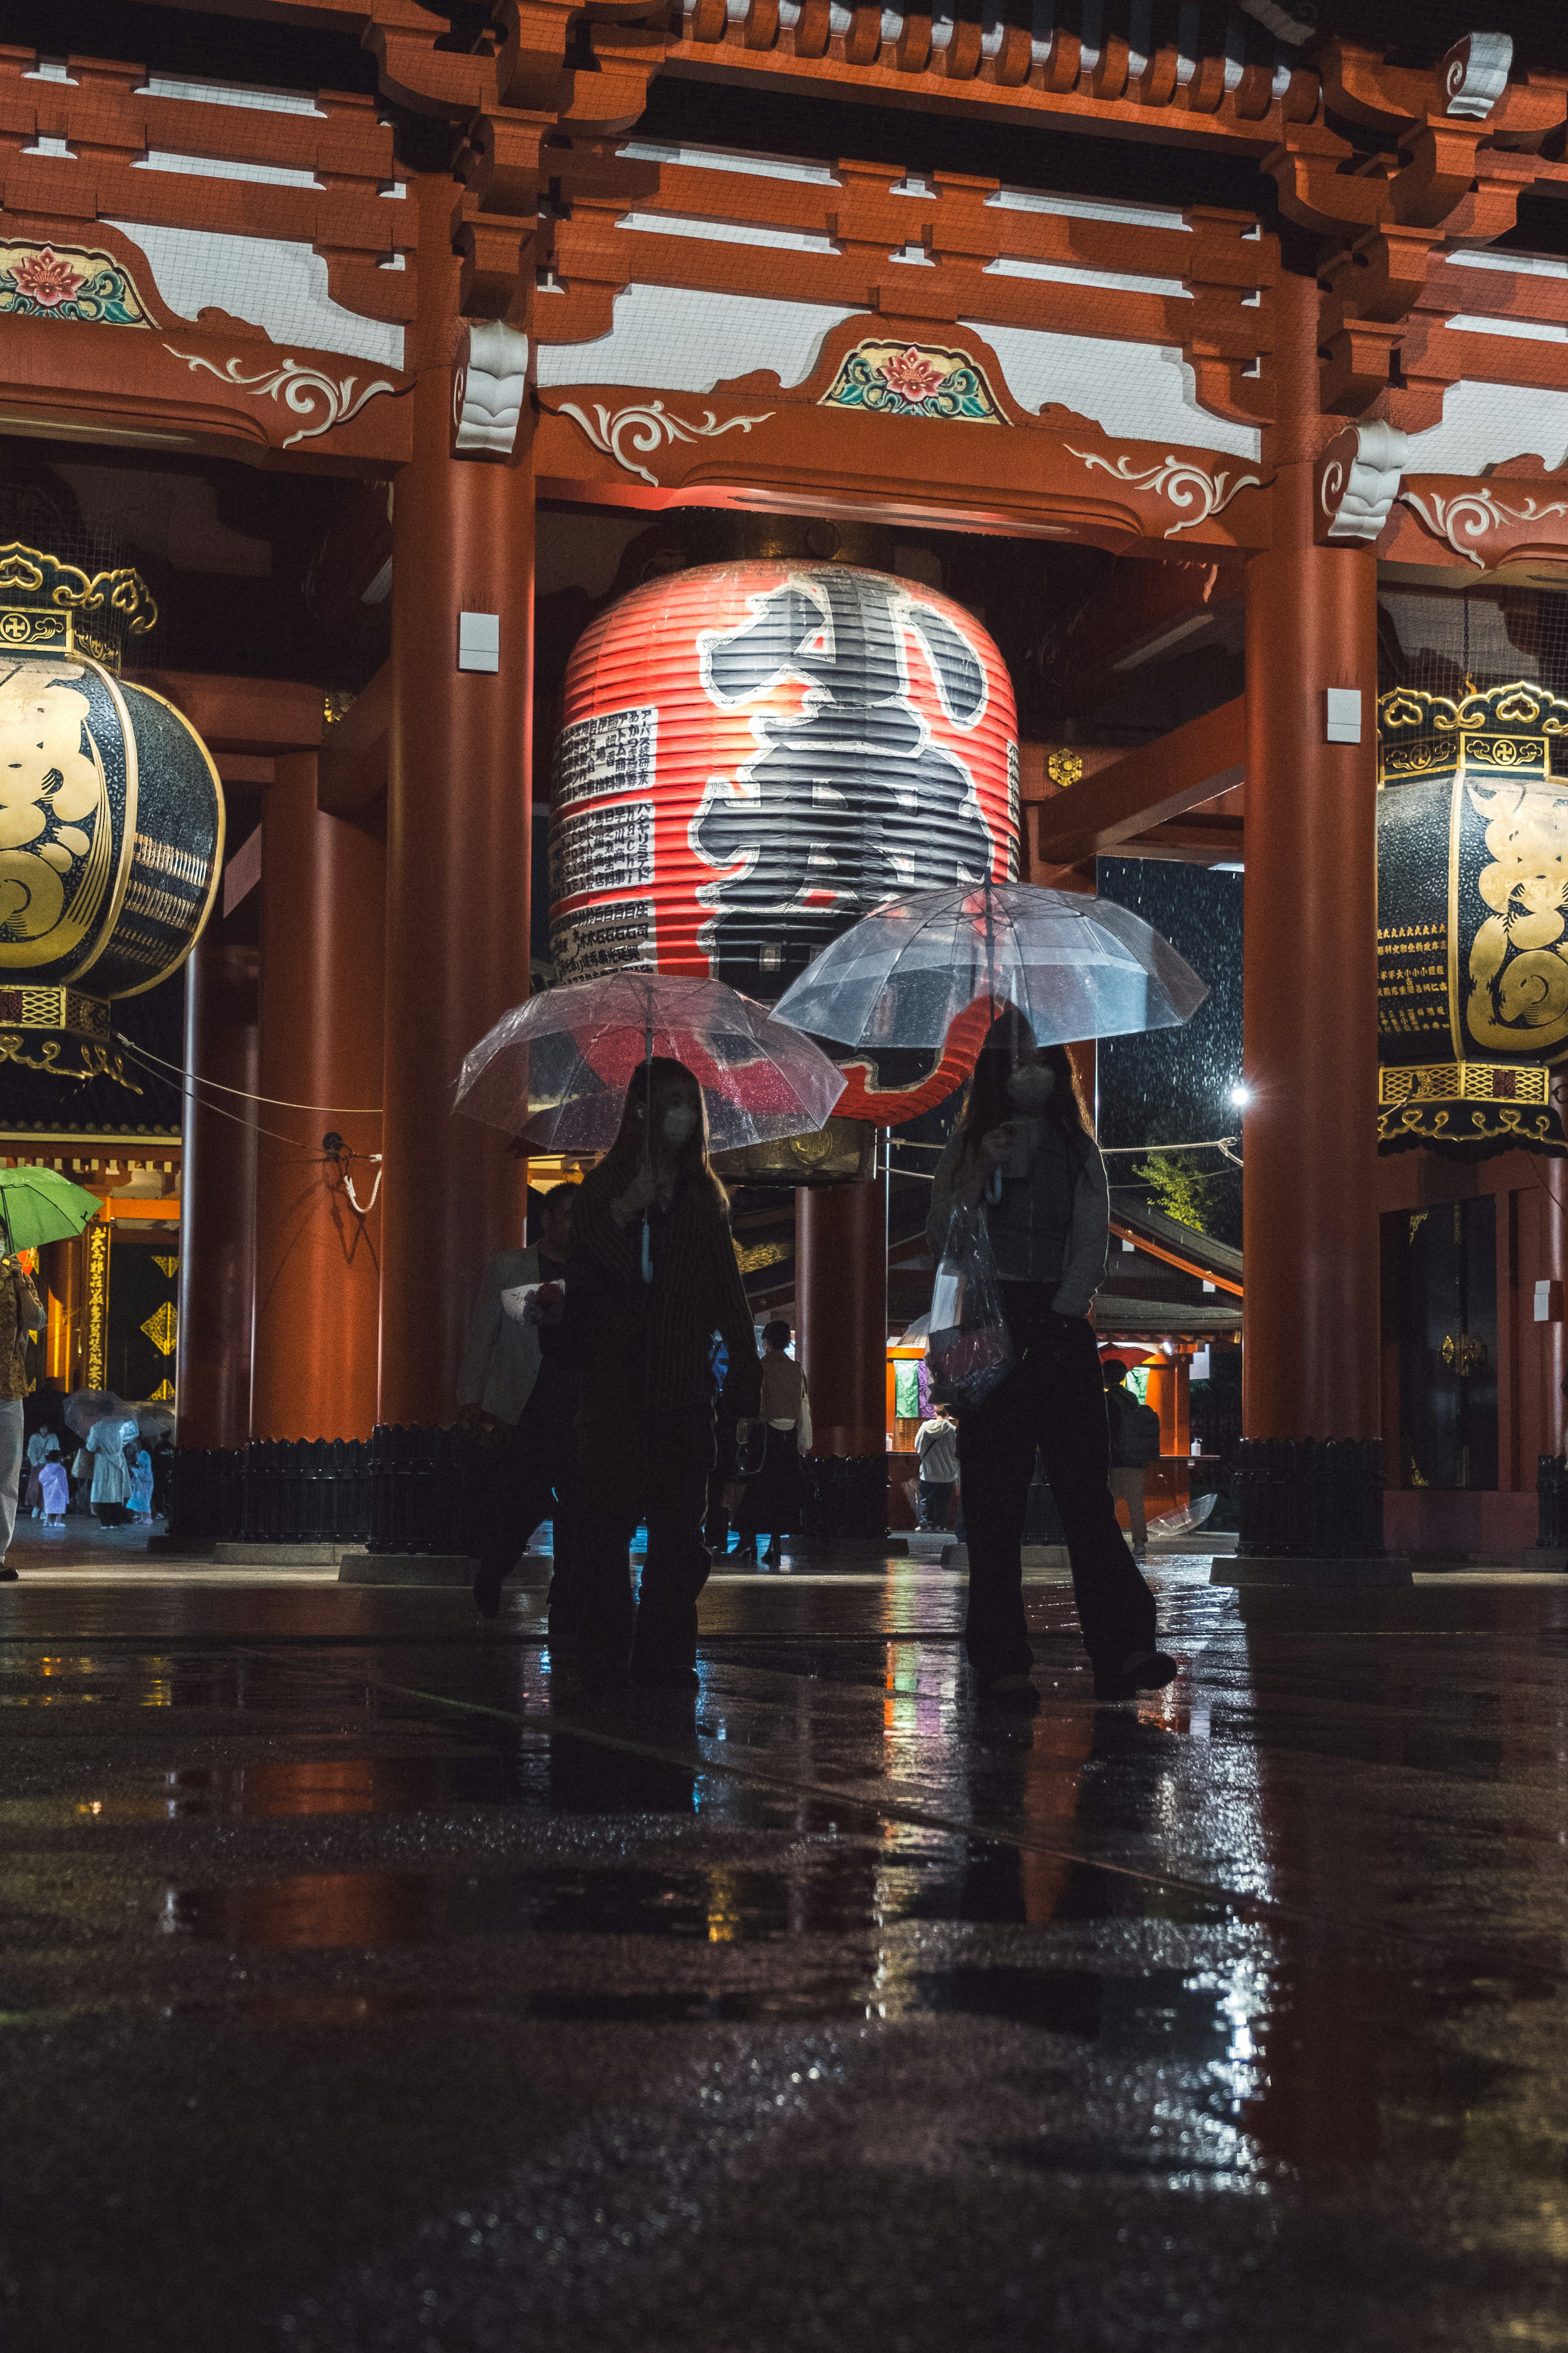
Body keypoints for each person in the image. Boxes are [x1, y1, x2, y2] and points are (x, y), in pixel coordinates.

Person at [927, 1011, 1176, 1709]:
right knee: (994, 1502)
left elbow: (1091, 1238)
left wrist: (1067, 1306)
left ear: (1059, 1071)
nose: (1027, 1072)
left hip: (1061, 1324)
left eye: (1038, 1060)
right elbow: (942, 1235)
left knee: (1084, 1496)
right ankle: (1002, 1660)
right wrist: (979, 1172)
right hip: (989, 1323)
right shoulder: (970, 1142)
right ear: (994, 1073)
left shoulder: (1077, 1146)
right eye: (1013, 1061)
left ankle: (1124, 1647)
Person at [564, 1057, 762, 1696]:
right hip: (617, 1394)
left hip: (682, 1393)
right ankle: (607, 1649)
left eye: (690, 1103)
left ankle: (666, 1650)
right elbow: (600, 1278)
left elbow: (730, 1297)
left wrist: (744, 1377)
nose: (682, 1115)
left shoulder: (706, 1199)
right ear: (641, 1111)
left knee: (680, 1536)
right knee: (607, 1529)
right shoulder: (601, 1192)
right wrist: (628, 1209)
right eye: (669, 1102)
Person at [471, 1186, 582, 1628]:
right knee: (525, 1500)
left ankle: (568, 1589)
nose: (577, 1224)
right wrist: (471, 1398)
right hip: (528, 1402)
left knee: (579, 1502)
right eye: (571, 1214)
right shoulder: (509, 1266)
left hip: (579, 1403)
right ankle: (494, 1569)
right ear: (548, 1219)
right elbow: (484, 1333)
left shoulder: (593, 1270)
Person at [732, 1320, 811, 1568]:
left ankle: (751, 1544)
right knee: (782, 1492)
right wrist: (804, 1439)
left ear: (766, 1341)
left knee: (757, 1490)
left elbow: (752, 1405)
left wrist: (742, 1435)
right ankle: (775, 1546)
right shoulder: (797, 1369)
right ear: (788, 1341)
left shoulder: (761, 1367)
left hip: (763, 1435)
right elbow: (804, 1405)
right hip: (788, 1441)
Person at [0, 1249, 46, 1581]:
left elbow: (37, 1321)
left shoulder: (19, 1278)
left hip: (10, 1387)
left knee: (7, 1475)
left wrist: (19, 1280)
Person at [1103, 1359, 1161, 1560]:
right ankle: (1139, 1543)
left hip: (1115, 1463)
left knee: (1107, 1504)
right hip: (1136, 1462)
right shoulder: (1132, 1397)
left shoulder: (1107, 1400)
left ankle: (1107, 1542)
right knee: (1136, 1505)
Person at [914, 1402, 959, 1530]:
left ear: (935, 1413)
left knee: (926, 1500)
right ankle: (940, 1526)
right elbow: (956, 1451)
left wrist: (926, 1458)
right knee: (943, 1502)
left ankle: (925, 1525)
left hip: (929, 1470)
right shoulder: (952, 1430)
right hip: (948, 1472)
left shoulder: (924, 1427)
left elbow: (918, 1447)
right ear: (948, 1414)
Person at [86, 1412, 134, 1528]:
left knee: (103, 1494)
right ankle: (116, 1521)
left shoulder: (96, 1428)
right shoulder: (120, 1426)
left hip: (104, 1463)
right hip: (118, 1461)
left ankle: (105, 1522)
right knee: (117, 1493)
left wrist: (89, 1439)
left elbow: (91, 1447)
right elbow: (130, 1436)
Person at [128, 1444, 156, 1526]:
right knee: (141, 1499)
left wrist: (133, 1468)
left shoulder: (144, 1455)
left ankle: (148, 1518)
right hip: (141, 1481)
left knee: (145, 1500)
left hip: (145, 1481)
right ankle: (143, 1518)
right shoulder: (140, 1454)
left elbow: (143, 1470)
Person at [39, 1456, 68, 1528]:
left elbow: (41, 1478)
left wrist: (46, 1484)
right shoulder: (61, 1469)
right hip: (60, 1491)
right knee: (60, 1506)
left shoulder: (46, 1469)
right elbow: (64, 1482)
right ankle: (57, 1522)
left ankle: (47, 1521)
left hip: (48, 1491)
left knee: (49, 1505)